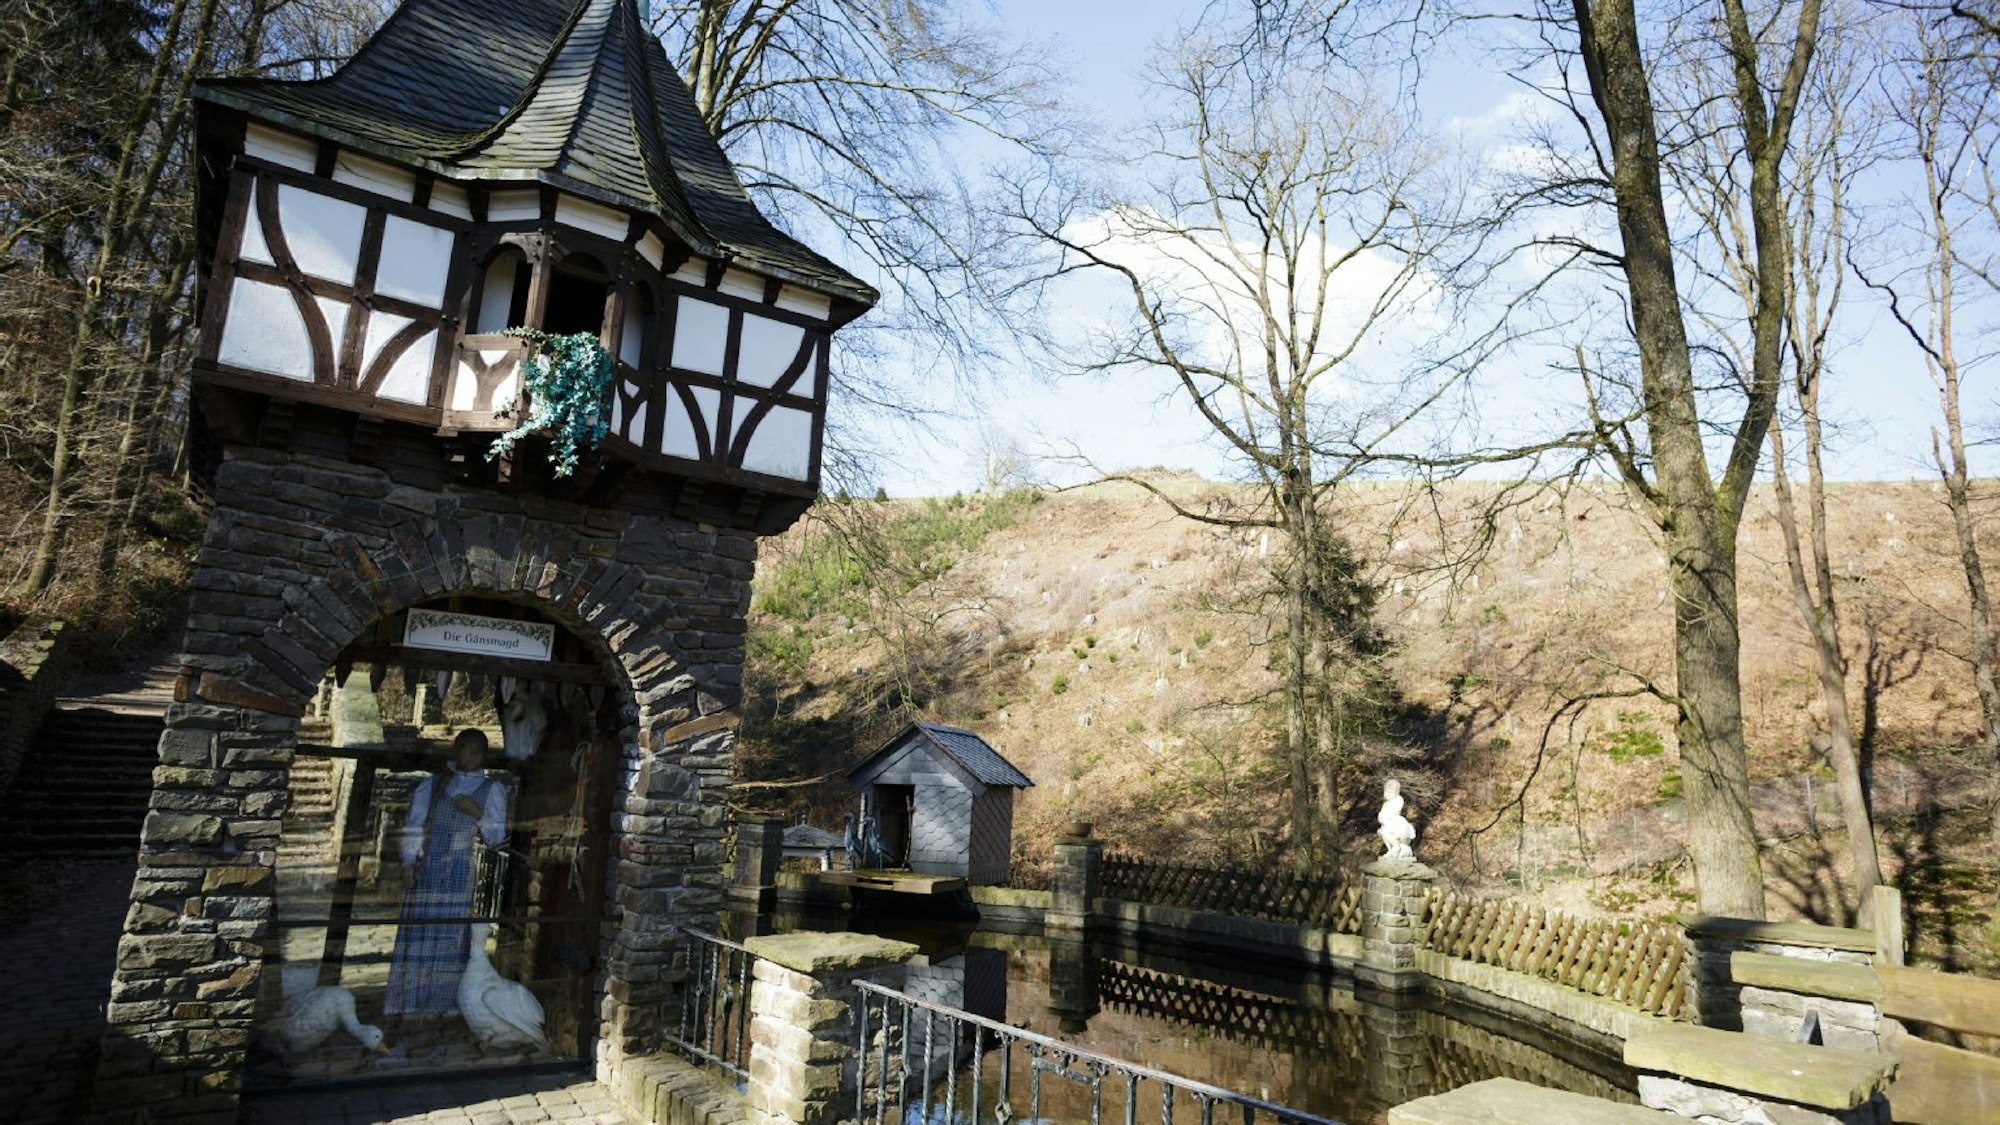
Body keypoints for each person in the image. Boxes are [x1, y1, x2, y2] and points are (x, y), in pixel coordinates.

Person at [385, 728, 510, 1017]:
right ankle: (409, 1003)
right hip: (428, 869)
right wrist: (408, 863)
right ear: (456, 750)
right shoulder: (436, 784)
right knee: (419, 933)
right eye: (468, 749)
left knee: (451, 934)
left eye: (479, 750)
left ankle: (442, 1006)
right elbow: (414, 825)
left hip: (458, 871)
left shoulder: (491, 790)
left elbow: (496, 838)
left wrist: (478, 815)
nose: (473, 755)